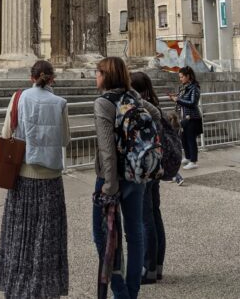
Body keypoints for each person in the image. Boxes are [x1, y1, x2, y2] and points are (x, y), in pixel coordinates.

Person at [0, 60, 70, 299]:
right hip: (51, 180)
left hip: (23, 178)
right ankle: (45, 289)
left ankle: (17, 287)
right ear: (52, 78)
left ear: (31, 77)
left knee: (20, 235)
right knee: (47, 237)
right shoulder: (60, 103)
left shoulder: (19, 98)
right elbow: (65, 139)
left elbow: (6, 134)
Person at [93, 57, 161, 299]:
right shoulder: (133, 98)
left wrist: (109, 187)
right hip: (136, 175)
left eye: (98, 72)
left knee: (102, 235)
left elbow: (106, 150)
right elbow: (156, 114)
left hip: (110, 178)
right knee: (134, 234)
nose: (95, 76)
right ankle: (132, 292)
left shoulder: (104, 103)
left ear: (106, 76)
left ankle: (120, 290)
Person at [130, 72, 166, 285]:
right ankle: (157, 265)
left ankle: (148, 268)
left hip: (144, 165)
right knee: (154, 215)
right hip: (156, 164)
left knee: (145, 219)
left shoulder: (141, 106)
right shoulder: (154, 103)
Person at [169, 66, 203, 170]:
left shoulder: (194, 88)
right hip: (183, 117)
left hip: (192, 117)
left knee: (191, 139)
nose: (180, 79)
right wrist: (175, 98)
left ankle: (193, 161)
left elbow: (193, 103)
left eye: (182, 77)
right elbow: (182, 100)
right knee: (184, 138)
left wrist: (178, 100)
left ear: (188, 76)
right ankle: (188, 157)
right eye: (180, 77)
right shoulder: (183, 87)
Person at [167, 111, 184, 185]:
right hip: (177, 148)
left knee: (170, 164)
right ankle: (172, 177)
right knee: (172, 164)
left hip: (170, 148)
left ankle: (178, 178)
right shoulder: (177, 126)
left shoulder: (168, 128)